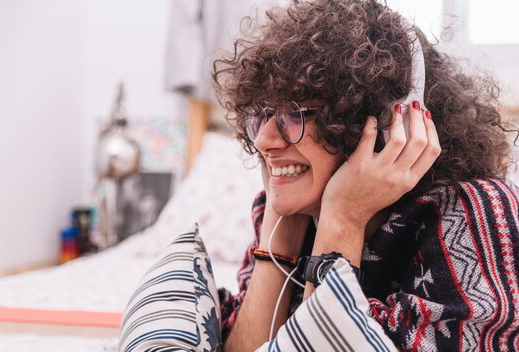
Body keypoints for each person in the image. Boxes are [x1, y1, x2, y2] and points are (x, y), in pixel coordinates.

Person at [213, 0, 519, 350]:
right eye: (259, 116)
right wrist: (277, 238)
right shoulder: (285, 212)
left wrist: (342, 220)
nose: (264, 141)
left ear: (384, 124)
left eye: (292, 115)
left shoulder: (479, 213)